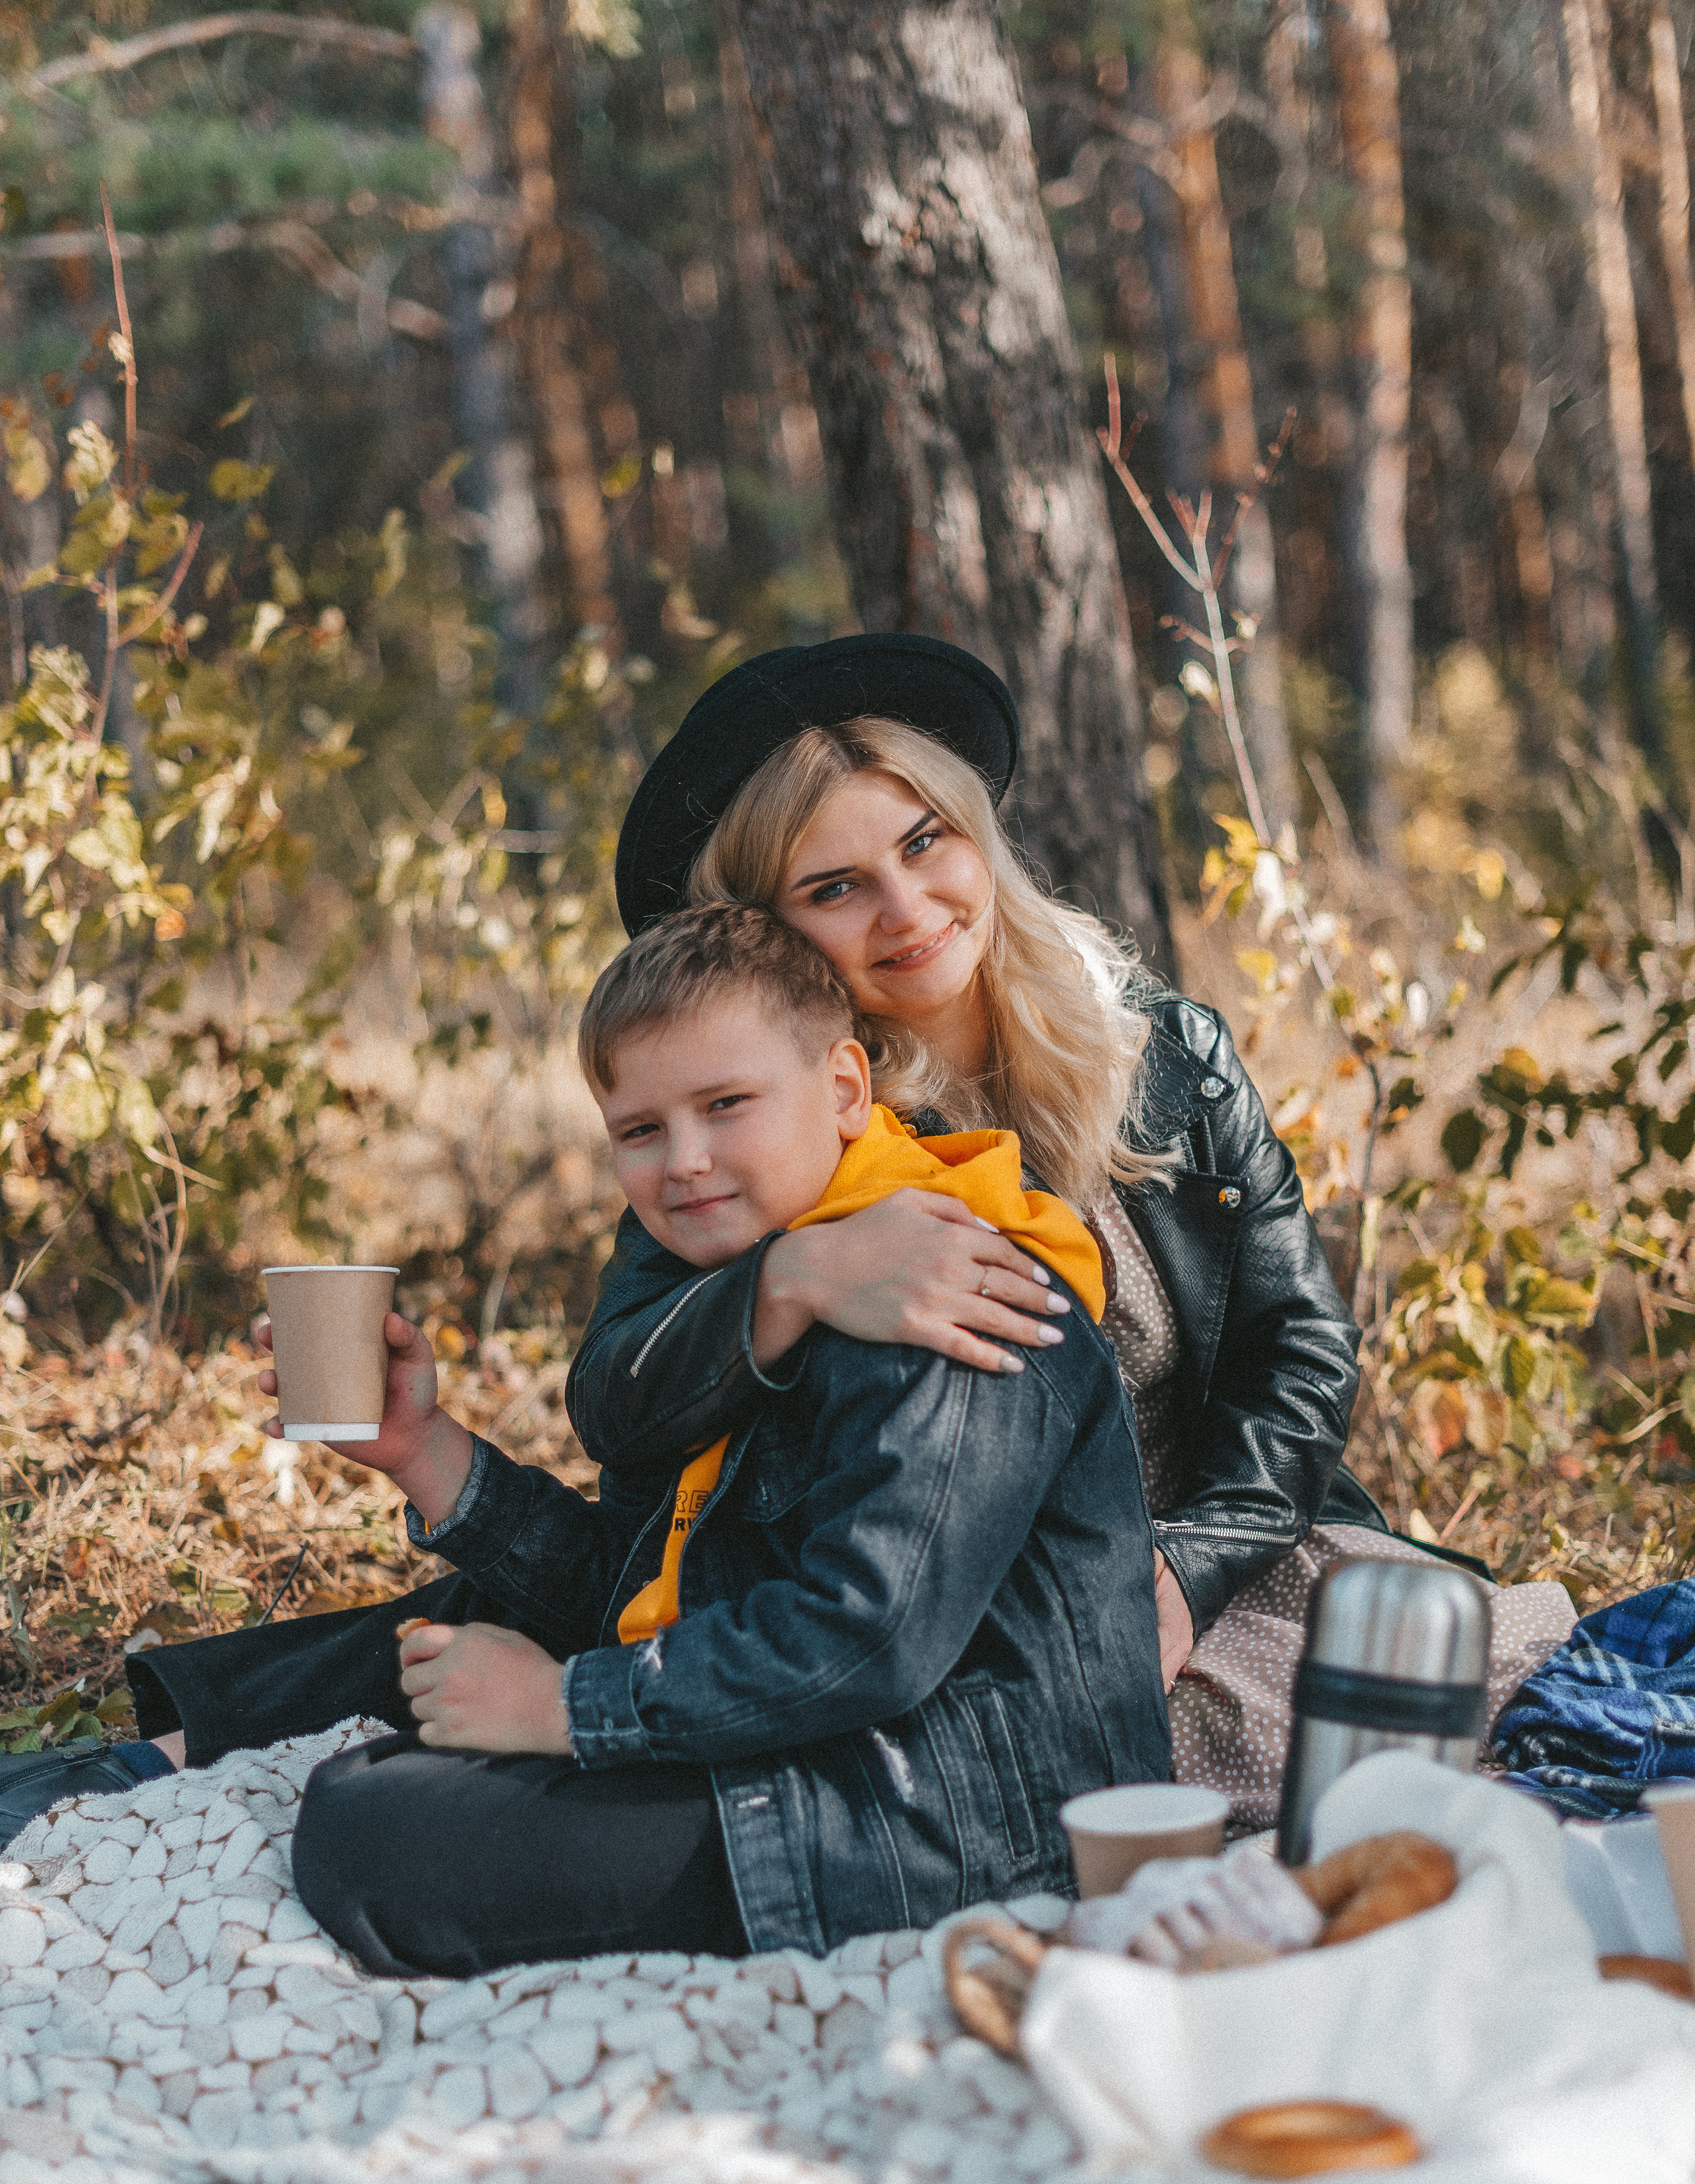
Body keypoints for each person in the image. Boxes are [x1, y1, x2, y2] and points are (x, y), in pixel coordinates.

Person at [0, 902, 1168, 1973]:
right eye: (641, 1130)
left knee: (370, 1824)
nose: (685, 1161)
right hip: (815, 1754)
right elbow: (649, 1582)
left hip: (933, 1824)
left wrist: (566, 1707)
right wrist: (427, 1452)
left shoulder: (943, 1280)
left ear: (848, 1087)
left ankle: (215, 1785)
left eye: (726, 1106)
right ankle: (113, 1779)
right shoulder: (782, 1282)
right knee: (439, 1651)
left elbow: (868, 1639)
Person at [569, 633, 1578, 1834]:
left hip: (1219, 1560)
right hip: (945, 1595)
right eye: (834, 888)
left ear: (974, 835)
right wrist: (790, 1275)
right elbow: (618, 1405)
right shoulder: (774, 1124)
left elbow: (1297, 1345)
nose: (907, 909)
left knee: (1492, 1693)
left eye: (923, 843)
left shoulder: (1168, 1055)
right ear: (772, 929)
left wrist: (1190, 1571)